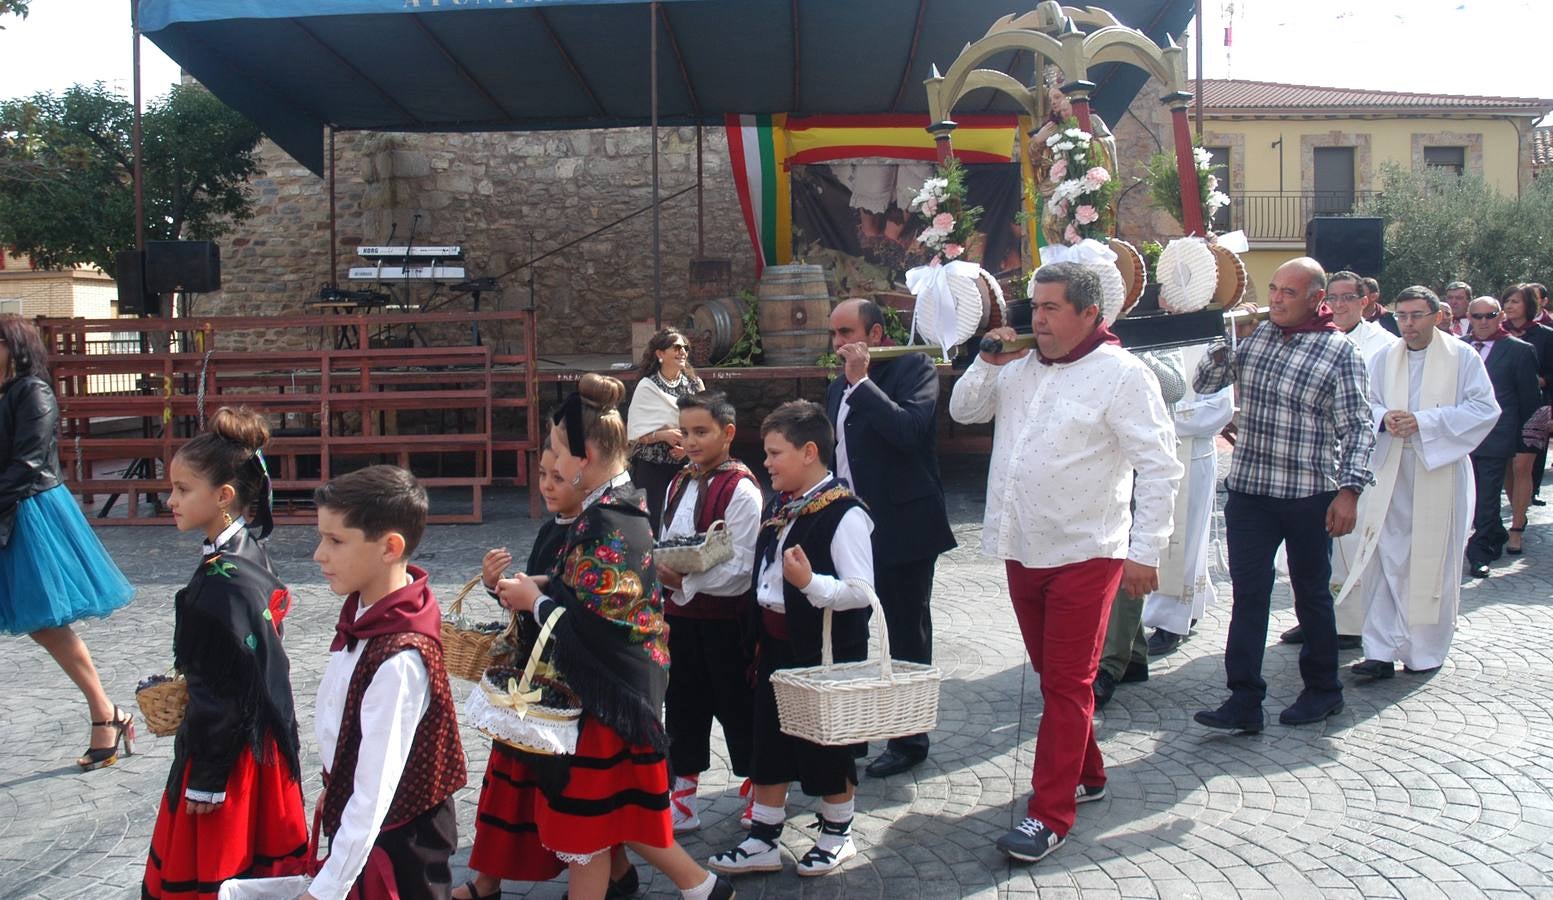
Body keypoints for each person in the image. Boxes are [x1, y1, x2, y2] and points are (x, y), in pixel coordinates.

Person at [949, 261, 1180, 863]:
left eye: (1051, 308)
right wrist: (986, 359)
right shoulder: (1020, 366)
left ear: (1087, 313)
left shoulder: (1124, 375)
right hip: (1022, 546)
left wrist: (1145, 552)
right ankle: (1090, 773)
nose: (1038, 318)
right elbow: (963, 411)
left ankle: (1049, 813)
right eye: (1035, 306)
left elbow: (1159, 466)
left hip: (1088, 551)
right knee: (1056, 677)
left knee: (1070, 683)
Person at [495, 375, 733, 900]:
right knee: (608, 820)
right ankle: (701, 889)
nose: (552, 464)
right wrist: (543, 585)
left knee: (589, 825)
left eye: (557, 451)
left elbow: (596, 623)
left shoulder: (609, 521)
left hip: (611, 691)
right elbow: (591, 594)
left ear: (581, 459)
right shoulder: (610, 507)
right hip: (612, 688)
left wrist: (533, 601)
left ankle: (696, 888)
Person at [1193, 257, 1374, 734]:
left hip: (1308, 495)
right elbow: (1204, 383)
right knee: (1248, 596)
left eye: (1287, 293)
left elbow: (1357, 427)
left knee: (1311, 595)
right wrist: (1225, 342)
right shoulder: (1259, 337)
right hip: (1251, 493)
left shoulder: (1340, 352)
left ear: (1317, 299)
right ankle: (1243, 700)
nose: (1275, 298)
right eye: (1273, 288)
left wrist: (1350, 492)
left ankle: (1323, 691)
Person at [458, 438, 641, 900]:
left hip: (568, 687)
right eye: (542, 475)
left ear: (587, 473)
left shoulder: (594, 532)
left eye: (557, 477)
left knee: (571, 794)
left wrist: (532, 597)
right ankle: (487, 880)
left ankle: (617, 874)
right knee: (507, 784)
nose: (547, 486)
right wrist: (494, 585)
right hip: (532, 679)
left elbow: (573, 607)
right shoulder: (550, 531)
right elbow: (529, 604)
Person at [144, 408, 308, 900]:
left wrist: (208, 780)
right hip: (256, 747)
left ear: (223, 497)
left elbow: (226, 689)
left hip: (229, 757)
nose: (169, 499)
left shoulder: (225, 581)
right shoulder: (245, 552)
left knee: (220, 871)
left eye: (181, 489)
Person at [708, 400, 876, 878]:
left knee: (827, 744)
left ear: (808, 452)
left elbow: (862, 593)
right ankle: (763, 835)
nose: (766, 462)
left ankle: (837, 833)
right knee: (769, 741)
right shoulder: (784, 504)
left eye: (774, 453)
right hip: (777, 646)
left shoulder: (845, 514)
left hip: (822, 651)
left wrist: (809, 585)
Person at [304, 465, 467, 900]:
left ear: (390, 547)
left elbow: (374, 795)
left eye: (336, 541)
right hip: (364, 830)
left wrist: (324, 889)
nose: (319, 554)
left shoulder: (400, 659)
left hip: (398, 842)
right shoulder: (371, 610)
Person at [1338, 288, 1499, 679]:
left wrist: (1423, 422)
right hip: (1390, 467)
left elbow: (1484, 409)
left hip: (1437, 467)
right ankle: (1379, 650)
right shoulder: (1382, 358)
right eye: (1402, 316)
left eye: (1417, 316)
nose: (1408, 324)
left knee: (1431, 561)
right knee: (1383, 556)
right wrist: (1385, 418)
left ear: (1436, 317)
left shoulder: (1462, 357)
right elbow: (1364, 403)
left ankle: (1422, 650)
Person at [825, 298, 955, 775]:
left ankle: (909, 738)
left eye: (845, 332)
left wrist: (861, 383)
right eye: (833, 335)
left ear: (875, 334)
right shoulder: (836, 384)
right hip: (851, 528)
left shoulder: (914, 367)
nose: (837, 344)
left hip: (904, 525)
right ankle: (852, 736)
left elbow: (909, 431)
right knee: (847, 628)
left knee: (905, 632)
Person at [0, 314, 135, 771]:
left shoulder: (32, 392)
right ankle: (106, 712)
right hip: (9, 504)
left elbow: (27, 464)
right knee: (42, 624)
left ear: (13, 347)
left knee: (44, 623)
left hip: (29, 512)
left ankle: (105, 712)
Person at [657, 390, 762, 833]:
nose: (692, 441)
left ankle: (761, 787)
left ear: (728, 433)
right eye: (685, 432)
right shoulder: (679, 482)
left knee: (737, 705)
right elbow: (668, 537)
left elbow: (741, 567)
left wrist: (685, 582)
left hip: (726, 622)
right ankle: (682, 795)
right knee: (682, 706)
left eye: (702, 431)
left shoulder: (741, 490)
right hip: (682, 621)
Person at [1280, 270, 1395, 649]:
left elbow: (1378, 404)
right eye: (1335, 296)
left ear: (1365, 302)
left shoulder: (1384, 345)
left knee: (1353, 539)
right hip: (1310, 460)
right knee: (1310, 547)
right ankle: (1313, 617)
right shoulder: (1306, 332)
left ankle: (1351, 623)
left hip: (1356, 459)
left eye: (1349, 297)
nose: (1340, 304)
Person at [1093, 348, 1187, 708]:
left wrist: (1134, 354)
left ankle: (1109, 664)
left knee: (1128, 557)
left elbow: (1175, 386)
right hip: (1107, 459)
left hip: (1143, 461)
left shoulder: (1154, 338)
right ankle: (1132, 654)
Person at [1143, 346, 1236, 656]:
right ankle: (1192, 602)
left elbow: (1219, 409)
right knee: (1160, 537)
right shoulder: (1153, 335)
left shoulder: (1208, 340)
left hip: (1192, 452)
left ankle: (1170, 619)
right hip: (1149, 455)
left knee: (1183, 537)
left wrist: (1157, 420)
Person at [1462, 296, 1541, 578]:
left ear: (1499, 317)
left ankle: (1481, 550)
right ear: (1469, 317)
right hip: (1459, 437)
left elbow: (1530, 401)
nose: (1483, 321)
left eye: (1490, 315)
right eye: (1477, 316)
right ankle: (1493, 531)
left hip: (1497, 436)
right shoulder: (1458, 348)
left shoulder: (1519, 350)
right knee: (1464, 498)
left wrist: (1526, 443)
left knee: (1486, 496)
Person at [627, 328, 705, 534]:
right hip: (652, 463)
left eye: (685, 348)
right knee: (648, 520)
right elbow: (635, 432)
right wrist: (663, 435)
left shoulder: (695, 386)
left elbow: (706, 425)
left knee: (685, 517)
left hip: (686, 462)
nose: (683, 352)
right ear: (660, 354)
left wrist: (687, 450)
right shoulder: (647, 387)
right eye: (676, 347)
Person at [1500, 284, 1553, 555]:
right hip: (1502, 410)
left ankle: (1517, 528)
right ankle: (1518, 511)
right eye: (1507, 300)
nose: (1509, 306)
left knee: (1522, 466)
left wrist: (1537, 381)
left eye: (1516, 301)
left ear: (1529, 305)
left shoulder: (1545, 336)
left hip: (1534, 409)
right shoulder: (1496, 332)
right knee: (1508, 468)